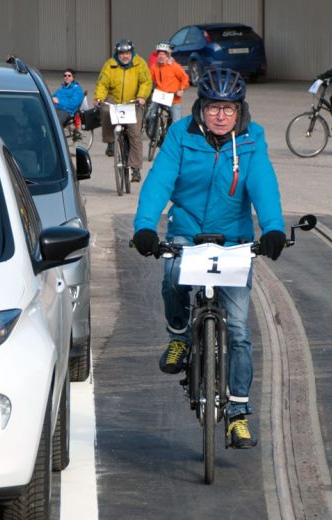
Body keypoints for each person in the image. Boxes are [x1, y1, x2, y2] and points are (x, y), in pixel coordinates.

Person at [131, 67, 285, 449]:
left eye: (228, 109)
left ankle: (237, 414)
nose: (220, 115)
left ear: (239, 110)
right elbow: (160, 180)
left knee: (237, 330)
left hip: (233, 240)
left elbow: (262, 182)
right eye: (214, 107)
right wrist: (146, 226)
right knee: (172, 275)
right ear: (201, 107)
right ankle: (180, 335)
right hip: (187, 231)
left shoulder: (252, 139)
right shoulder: (181, 135)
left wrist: (274, 228)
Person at [93, 38, 152, 181]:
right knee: (105, 110)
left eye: (127, 53)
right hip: (115, 100)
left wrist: (142, 96)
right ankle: (110, 142)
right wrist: (99, 98)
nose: (125, 56)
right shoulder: (110, 65)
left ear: (132, 53)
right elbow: (102, 84)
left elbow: (146, 82)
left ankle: (136, 168)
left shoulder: (140, 64)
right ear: (117, 54)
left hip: (133, 102)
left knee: (135, 134)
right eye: (121, 54)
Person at [148, 42, 189, 126]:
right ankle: (153, 136)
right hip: (159, 96)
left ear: (167, 56)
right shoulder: (154, 67)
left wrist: (181, 89)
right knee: (151, 116)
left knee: (176, 122)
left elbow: (185, 78)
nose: (161, 56)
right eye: (159, 54)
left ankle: (176, 137)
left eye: (163, 54)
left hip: (173, 98)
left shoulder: (174, 66)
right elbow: (148, 79)